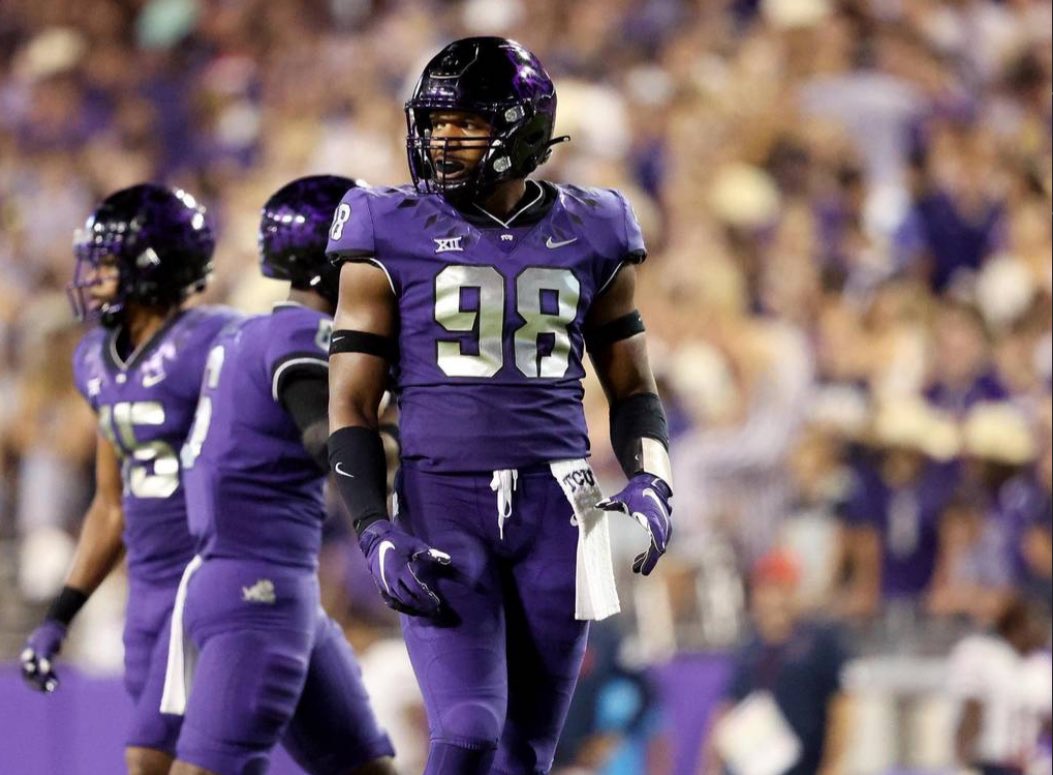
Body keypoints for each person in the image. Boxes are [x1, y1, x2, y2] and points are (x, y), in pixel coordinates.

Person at [325, 36, 673, 775]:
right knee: (468, 728)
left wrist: (652, 482)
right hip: (442, 499)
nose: (442, 139)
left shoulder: (598, 226)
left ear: (520, 129)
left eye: (466, 122)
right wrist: (373, 527)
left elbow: (633, 388)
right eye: (436, 121)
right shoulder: (385, 225)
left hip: (562, 504)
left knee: (524, 756)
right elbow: (350, 404)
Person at [164, 175, 396, 775]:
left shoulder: (250, 332)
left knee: (366, 768)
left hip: (267, 587)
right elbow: (331, 444)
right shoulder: (303, 337)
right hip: (258, 592)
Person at [20, 184, 241, 775]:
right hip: (148, 588)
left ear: (151, 268)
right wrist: (59, 615)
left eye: (108, 263)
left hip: (212, 578)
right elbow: (110, 505)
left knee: (174, 760)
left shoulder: (218, 344)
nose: (91, 277)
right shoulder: (96, 359)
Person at [705, 550, 852, 775]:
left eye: (781, 588)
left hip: (805, 765)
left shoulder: (819, 642)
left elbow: (841, 707)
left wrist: (832, 767)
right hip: (756, 763)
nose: (773, 598)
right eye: (766, 589)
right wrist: (711, 765)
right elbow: (728, 709)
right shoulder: (750, 649)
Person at [948, 596, 1051, 775]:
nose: (1043, 630)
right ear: (1019, 627)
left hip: (1028, 764)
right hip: (990, 761)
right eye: (1038, 623)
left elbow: (1047, 721)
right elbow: (971, 711)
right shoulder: (982, 655)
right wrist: (962, 762)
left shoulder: (1041, 666)